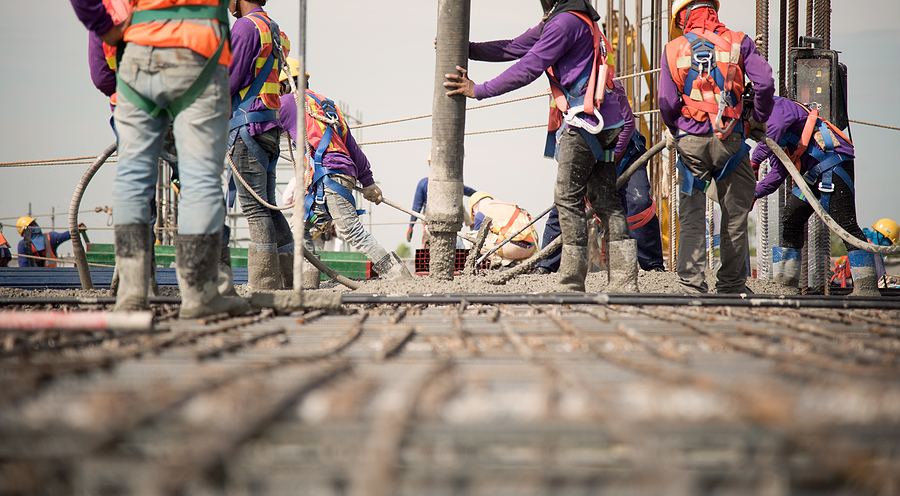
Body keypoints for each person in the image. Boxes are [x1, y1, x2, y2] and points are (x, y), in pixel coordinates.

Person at [70, 0, 249, 318]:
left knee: (133, 175)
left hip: (139, 53)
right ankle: (199, 296)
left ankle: (131, 294)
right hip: (199, 52)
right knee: (199, 177)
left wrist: (103, 26)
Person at [445, 0, 637, 292]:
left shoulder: (563, 24)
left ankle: (571, 285)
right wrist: (464, 47)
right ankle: (624, 283)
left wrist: (479, 90)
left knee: (567, 198)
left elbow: (528, 66)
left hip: (586, 123)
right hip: (607, 122)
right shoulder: (573, 20)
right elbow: (512, 47)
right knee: (605, 200)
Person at [659, 0, 774, 294]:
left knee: (692, 216)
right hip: (731, 143)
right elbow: (764, 85)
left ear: (683, 17)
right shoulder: (740, 42)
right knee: (734, 215)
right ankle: (733, 286)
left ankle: (691, 286)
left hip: (691, 144)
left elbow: (666, 102)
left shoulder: (674, 48)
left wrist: (677, 129)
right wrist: (755, 121)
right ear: (714, 10)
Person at [278, 70, 413, 288]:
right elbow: (351, 145)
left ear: (283, 85)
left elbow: (259, 126)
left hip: (327, 175)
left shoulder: (288, 102)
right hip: (334, 175)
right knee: (300, 229)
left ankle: (400, 278)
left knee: (352, 231)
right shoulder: (326, 104)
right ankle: (307, 282)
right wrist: (368, 181)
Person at [753, 97, 880, 296]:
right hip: (812, 175)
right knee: (791, 217)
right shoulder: (772, 139)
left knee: (844, 222)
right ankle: (786, 286)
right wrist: (753, 194)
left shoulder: (775, 106)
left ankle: (867, 287)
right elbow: (777, 173)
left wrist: (753, 160)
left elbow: (775, 128)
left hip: (834, 163)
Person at [226, 0, 293, 292]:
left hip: (247, 127)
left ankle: (264, 283)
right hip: (268, 128)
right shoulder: (276, 31)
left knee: (255, 209)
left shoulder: (245, 27)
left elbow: (228, 81)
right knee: (270, 208)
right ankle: (294, 279)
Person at [408, 164, 479, 249]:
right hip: (434, 222)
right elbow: (417, 207)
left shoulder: (427, 183)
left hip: (441, 222)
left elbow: (417, 206)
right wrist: (410, 226)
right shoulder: (427, 183)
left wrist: (410, 226)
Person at [469, 192, 539, 268]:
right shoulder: (508, 207)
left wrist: (476, 265)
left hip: (512, 248)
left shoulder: (481, 213)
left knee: (473, 238)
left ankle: (506, 263)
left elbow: (478, 242)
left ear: (475, 206)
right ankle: (511, 263)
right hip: (530, 249)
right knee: (500, 236)